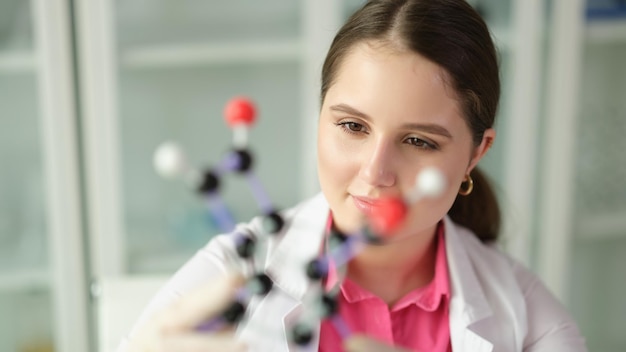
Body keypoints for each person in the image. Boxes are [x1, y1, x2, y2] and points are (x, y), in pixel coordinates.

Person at [120, 0, 587, 351]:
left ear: (475, 153)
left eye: (419, 141)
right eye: (352, 126)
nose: (375, 171)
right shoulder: (230, 272)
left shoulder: (527, 316)